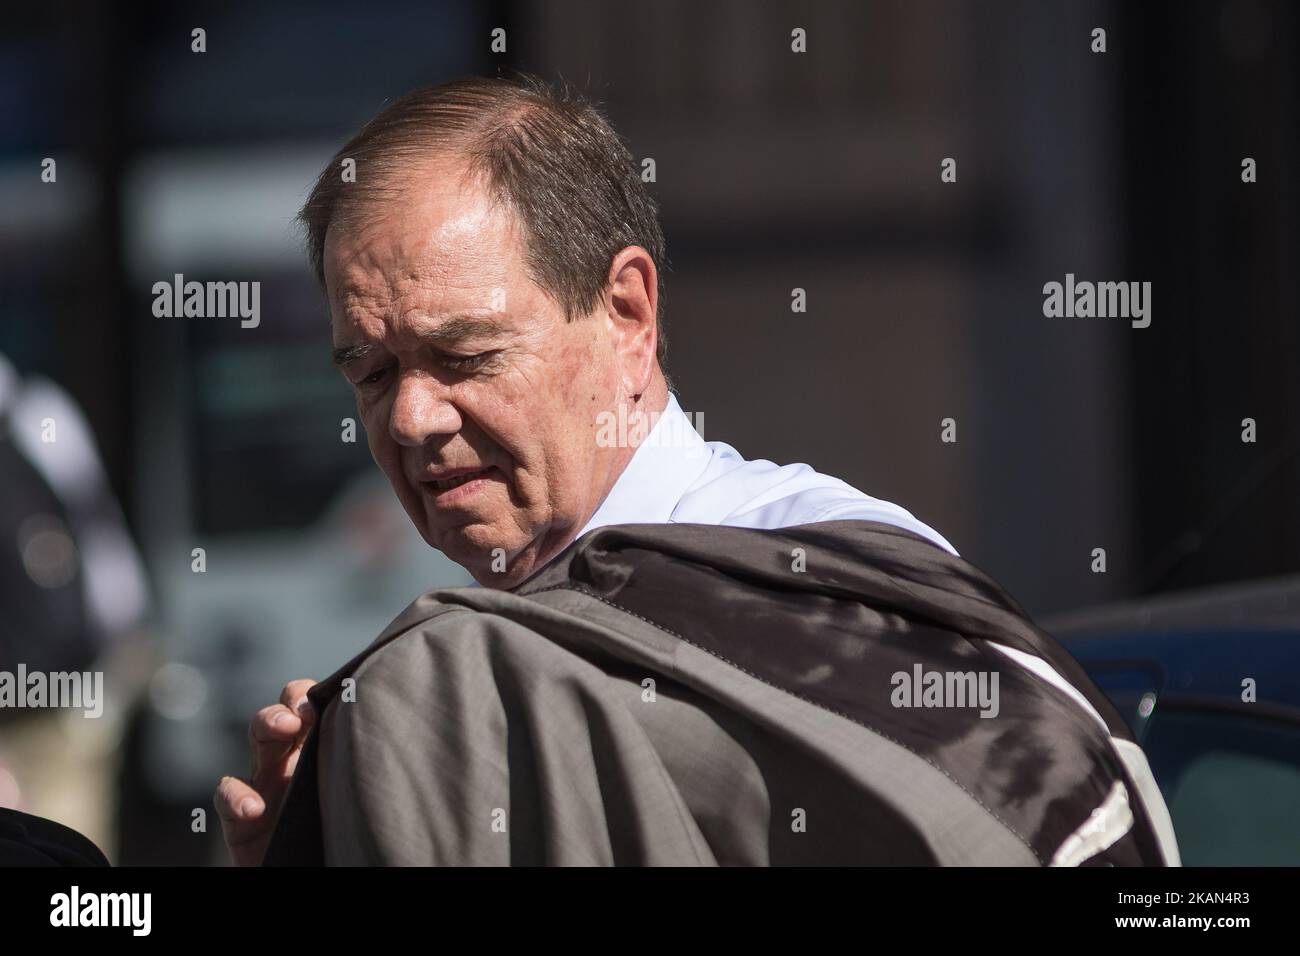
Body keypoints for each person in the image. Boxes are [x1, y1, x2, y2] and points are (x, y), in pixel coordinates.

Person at [215, 74, 1103, 865]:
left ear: (628, 314)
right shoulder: (452, 680)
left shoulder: (829, 591)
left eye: (464, 354)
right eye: (370, 373)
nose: (410, 419)